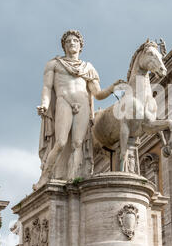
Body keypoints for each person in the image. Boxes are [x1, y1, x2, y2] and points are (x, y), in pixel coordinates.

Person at [35, 30, 124, 189]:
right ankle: (45, 177)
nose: (72, 43)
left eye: (75, 41)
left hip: (82, 104)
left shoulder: (88, 68)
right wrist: (45, 104)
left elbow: (97, 94)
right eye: (68, 41)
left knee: (78, 143)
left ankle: (73, 180)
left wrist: (112, 88)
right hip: (64, 101)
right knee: (61, 142)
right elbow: (47, 88)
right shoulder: (54, 64)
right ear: (64, 46)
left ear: (80, 45)